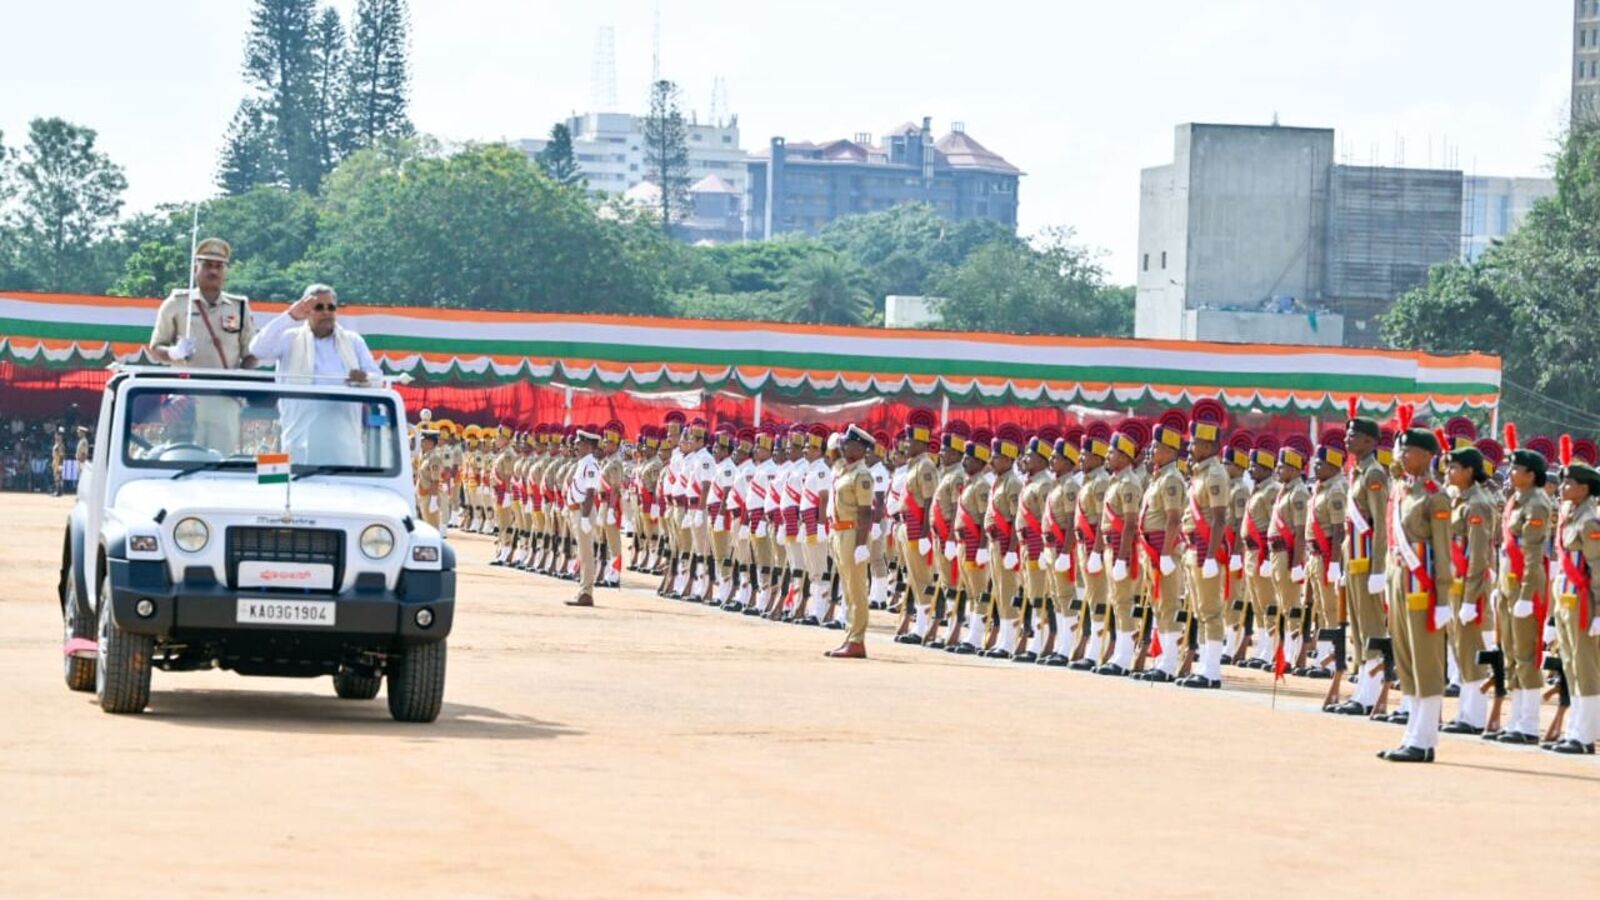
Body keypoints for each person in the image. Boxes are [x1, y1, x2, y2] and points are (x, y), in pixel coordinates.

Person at [1377, 417, 1452, 764]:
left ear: (1426, 456)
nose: (1402, 455)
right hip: (1399, 582)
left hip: (1423, 587)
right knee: (1406, 657)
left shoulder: (1435, 498)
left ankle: (1424, 739)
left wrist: (1443, 597)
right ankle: (1412, 733)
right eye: (1401, 449)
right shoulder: (1402, 490)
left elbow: (1443, 550)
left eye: (1409, 451)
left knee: (1426, 660)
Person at [248, 284, 383, 467]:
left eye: (331, 307)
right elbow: (257, 349)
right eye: (319, 307)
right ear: (307, 310)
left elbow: (378, 380)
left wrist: (364, 378)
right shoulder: (290, 339)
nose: (326, 312)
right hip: (299, 445)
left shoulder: (353, 342)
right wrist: (290, 316)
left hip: (344, 448)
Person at [1494, 431, 1552, 744]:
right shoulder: (1516, 499)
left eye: (1516, 468)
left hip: (1524, 587)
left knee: (1527, 654)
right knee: (1512, 653)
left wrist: (1528, 594)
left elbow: (1532, 553)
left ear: (1531, 475)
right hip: (1508, 584)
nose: (1510, 472)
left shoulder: (1537, 503)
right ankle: (1516, 719)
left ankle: (1528, 723)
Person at [149, 237, 258, 369]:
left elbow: (251, 354)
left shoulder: (239, 307)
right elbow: (155, 348)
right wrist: (173, 353)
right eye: (207, 265)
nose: (213, 271)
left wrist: (240, 379)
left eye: (219, 266)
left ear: (226, 271)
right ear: (195, 269)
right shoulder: (176, 303)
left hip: (225, 386)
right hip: (185, 385)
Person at [825, 425, 876, 659]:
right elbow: (832, 454)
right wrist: (832, 443)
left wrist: (861, 545)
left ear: (860, 448)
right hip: (838, 533)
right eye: (844, 443)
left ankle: (857, 640)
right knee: (847, 588)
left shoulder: (861, 475)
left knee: (856, 589)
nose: (843, 446)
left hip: (852, 534)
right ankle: (850, 635)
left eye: (848, 443)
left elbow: (866, 512)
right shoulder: (844, 470)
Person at [565, 428, 605, 608]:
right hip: (577, 510)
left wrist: (585, 517)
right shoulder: (583, 463)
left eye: (579, 444)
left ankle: (586, 593)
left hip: (584, 511)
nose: (576, 447)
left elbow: (590, 493)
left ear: (588, 446)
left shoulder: (591, 465)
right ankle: (583, 590)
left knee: (586, 554)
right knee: (582, 553)